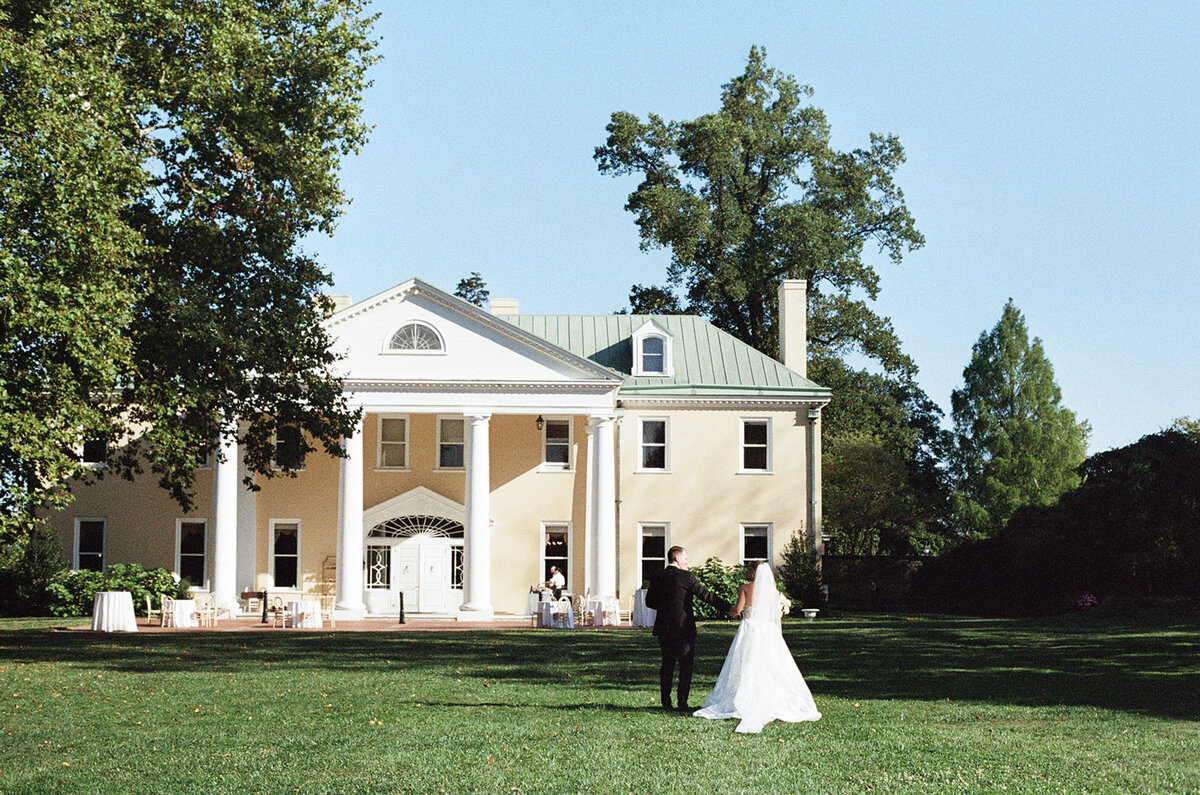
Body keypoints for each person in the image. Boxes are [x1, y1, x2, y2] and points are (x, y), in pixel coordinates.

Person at [694, 561, 822, 733]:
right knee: (770, 664)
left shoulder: (745, 588)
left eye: (749, 570)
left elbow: (737, 610)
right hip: (768, 631)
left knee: (746, 663)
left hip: (750, 629)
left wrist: (729, 612)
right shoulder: (772, 591)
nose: (748, 573)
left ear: (754, 572)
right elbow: (775, 612)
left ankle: (744, 698)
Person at [644, 545, 734, 713]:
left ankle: (666, 702)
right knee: (685, 665)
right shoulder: (685, 576)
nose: (687, 561)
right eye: (685, 558)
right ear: (677, 558)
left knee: (667, 664)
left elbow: (649, 602)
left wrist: (666, 607)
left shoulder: (658, 576)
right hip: (683, 627)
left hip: (664, 627)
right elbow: (705, 595)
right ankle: (682, 702)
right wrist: (729, 608)